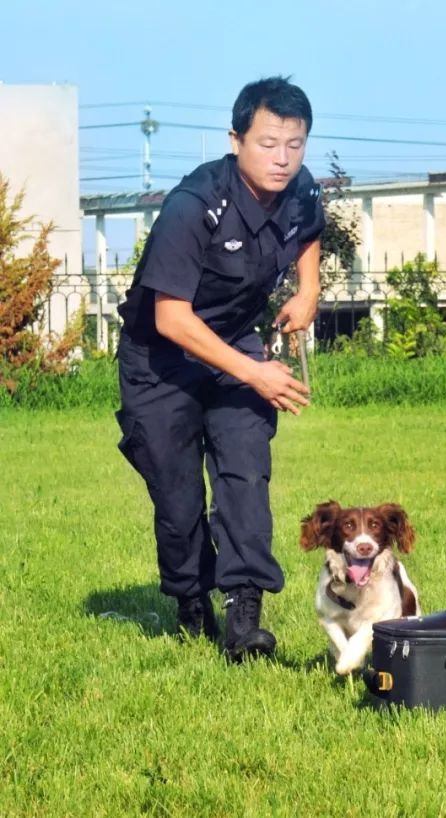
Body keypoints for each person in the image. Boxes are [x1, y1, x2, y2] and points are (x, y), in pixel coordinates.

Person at [115, 76, 325, 661]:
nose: (282, 159)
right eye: (267, 144)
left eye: (295, 144)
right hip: (161, 359)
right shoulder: (193, 206)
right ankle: (190, 602)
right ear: (236, 140)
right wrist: (257, 373)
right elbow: (171, 318)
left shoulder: (300, 189)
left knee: (244, 472)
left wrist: (308, 291)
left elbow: (309, 230)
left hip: (233, 342)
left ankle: (245, 617)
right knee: (178, 499)